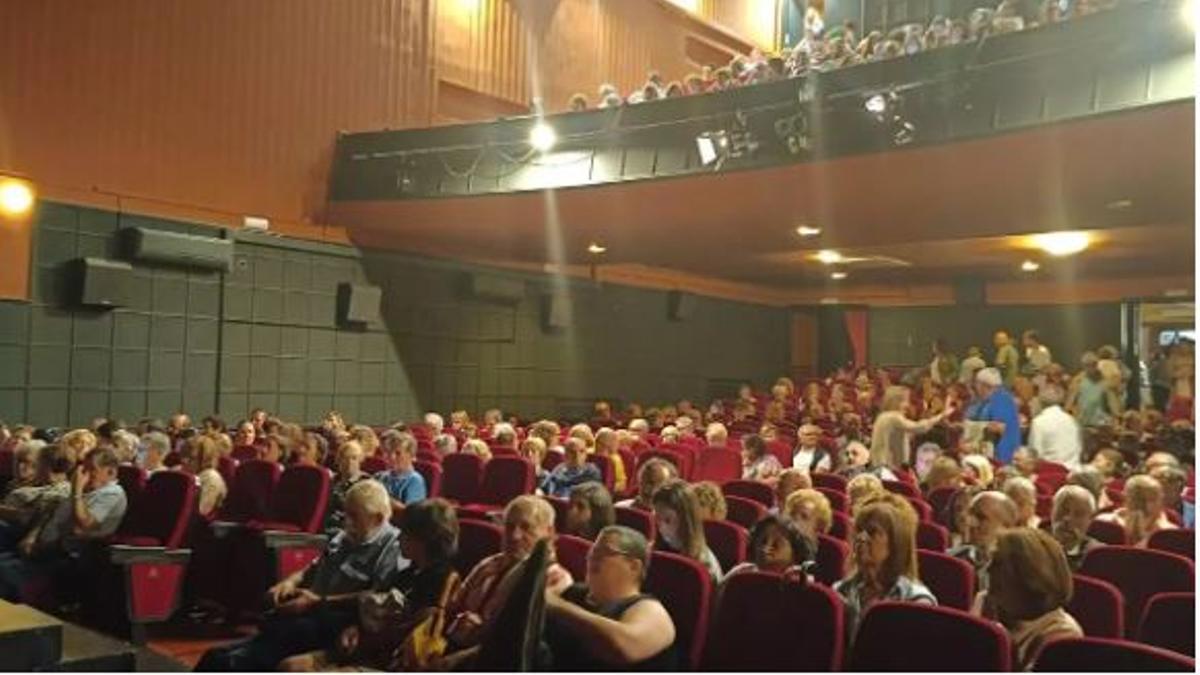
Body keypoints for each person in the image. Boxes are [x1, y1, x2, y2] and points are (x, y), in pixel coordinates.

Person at [195, 480, 403, 671]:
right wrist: (289, 581)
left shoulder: (392, 548)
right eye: (346, 515)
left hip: (336, 623)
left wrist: (317, 601)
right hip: (307, 613)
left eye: (354, 517)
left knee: (233, 663)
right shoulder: (345, 536)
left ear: (378, 518)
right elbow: (311, 568)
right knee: (214, 657)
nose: (347, 522)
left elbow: (376, 598)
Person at [279, 498, 460, 671]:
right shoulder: (408, 573)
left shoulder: (443, 581)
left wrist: (363, 639)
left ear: (422, 539)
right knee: (290, 667)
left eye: (404, 533)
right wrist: (355, 629)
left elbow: (413, 634)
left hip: (393, 662)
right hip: (367, 650)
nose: (398, 538)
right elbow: (373, 602)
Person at [443, 496, 571, 653]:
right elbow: (454, 605)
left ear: (549, 532)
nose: (514, 536)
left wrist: (479, 632)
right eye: (509, 527)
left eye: (526, 527)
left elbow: (519, 639)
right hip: (453, 644)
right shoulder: (490, 563)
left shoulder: (554, 579)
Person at [0, 447, 128, 602]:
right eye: (84, 468)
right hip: (41, 548)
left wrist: (77, 490)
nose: (84, 475)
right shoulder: (84, 491)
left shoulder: (112, 493)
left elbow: (86, 524)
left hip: (64, 555)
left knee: (4, 571)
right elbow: (51, 515)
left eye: (91, 469)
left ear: (111, 472)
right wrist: (32, 537)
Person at [543, 526, 677, 670]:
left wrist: (557, 607)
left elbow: (626, 648)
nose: (591, 557)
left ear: (633, 566)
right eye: (593, 551)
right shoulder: (576, 592)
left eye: (604, 552)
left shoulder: (649, 608)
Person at [979, 529, 1082, 670]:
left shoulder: (1061, 636)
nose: (988, 569)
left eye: (998, 563)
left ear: (1027, 576)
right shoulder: (987, 605)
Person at [834, 497, 936, 638]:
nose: (861, 538)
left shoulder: (916, 601)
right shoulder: (841, 590)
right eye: (858, 530)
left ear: (896, 543)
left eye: (872, 532)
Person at [947, 491, 1018, 593]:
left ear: (1006, 526)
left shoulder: (1019, 572)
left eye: (981, 518)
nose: (969, 522)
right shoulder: (951, 560)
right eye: (970, 514)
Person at [652, 480, 722, 582]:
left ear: (686, 520)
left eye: (668, 520)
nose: (661, 526)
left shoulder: (705, 566)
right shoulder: (652, 551)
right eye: (657, 519)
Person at [869, 386, 953, 469]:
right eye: (905, 401)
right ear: (897, 401)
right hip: (887, 464)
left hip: (881, 462)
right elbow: (920, 427)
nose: (907, 405)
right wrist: (941, 416)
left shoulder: (883, 416)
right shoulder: (894, 417)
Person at [1095, 474, 1178, 546]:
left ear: (1160, 501)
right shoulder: (1103, 523)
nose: (1145, 505)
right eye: (1138, 499)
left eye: (1151, 499)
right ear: (1124, 497)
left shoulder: (1169, 534)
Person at [725, 515, 815, 578]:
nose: (765, 548)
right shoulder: (739, 573)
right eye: (763, 541)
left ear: (796, 554)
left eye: (776, 545)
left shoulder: (804, 585)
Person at [968, 368, 1022, 464]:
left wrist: (975, 427)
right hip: (985, 448)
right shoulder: (984, 400)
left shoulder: (1002, 400)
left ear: (984, 385)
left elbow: (1004, 428)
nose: (975, 386)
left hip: (1000, 452)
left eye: (977, 383)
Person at [1028, 385, 1082, 470]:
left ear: (1040, 401)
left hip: (1051, 471)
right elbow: (1079, 446)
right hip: (1074, 468)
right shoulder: (1071, 420)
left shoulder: (1039, 422)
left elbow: (1035, 453)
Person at [1049, 485, 1102, 571]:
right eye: (1063, 510)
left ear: (1090, 520)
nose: (1067, 518)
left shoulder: (1099, 557)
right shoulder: (1034, 547)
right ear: (1051, 510)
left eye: (1078, 514)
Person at [374, 430, 426, 515]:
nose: (392, 457)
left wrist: (381, 498)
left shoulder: (415, 480)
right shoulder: (380, 476)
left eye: (398, 453)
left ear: (411, 456)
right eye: (388, 452)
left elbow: (410, 514)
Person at [325, 440, 371, 532]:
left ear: (360, 460)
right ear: (338, 460)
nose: (349, 462)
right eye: (345, 458)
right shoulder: (331, 481)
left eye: (354, 458)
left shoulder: (366, 483)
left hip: (350, 529)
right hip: (327, 525)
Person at [179, 434, 227, 518]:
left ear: (205, 458)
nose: (184, 461)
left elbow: (201, 511)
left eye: (191, 457)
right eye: (183, 456)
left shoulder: (211, 478)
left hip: (197, 527)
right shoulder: (184, 472)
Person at [593, 429, 627, 494]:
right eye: (598, 442)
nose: (618, 445)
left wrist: (606, 489)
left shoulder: (615, 459)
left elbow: (622, 484)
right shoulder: (588, 454)